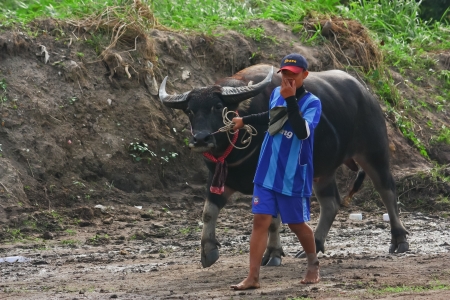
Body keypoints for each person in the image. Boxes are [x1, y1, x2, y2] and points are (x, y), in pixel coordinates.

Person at [230, 53, 322, 290]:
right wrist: (245, 121)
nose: (288, 78)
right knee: (260, 220)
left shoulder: (312, 103)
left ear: (305, 75)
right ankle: (253, 277)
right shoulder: (275, 95)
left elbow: (302, 132)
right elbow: (272, 118)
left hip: (293, 174)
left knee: (296, 224)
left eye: (294, 74)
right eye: (285, 74)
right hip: (267, 169)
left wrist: (291, 99)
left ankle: (313, 265)